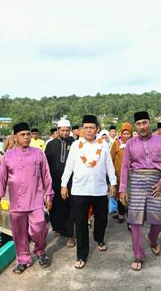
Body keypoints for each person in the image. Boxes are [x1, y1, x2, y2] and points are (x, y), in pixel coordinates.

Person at [0, 122, 54, 274]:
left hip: (36, 200)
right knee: (19, 233)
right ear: (15, 137)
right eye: (23, 135)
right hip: (17, 203)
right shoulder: (8, 156)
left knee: (40, 227)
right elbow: (1, 179)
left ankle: (40, 251)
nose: (27, 137)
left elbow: (46, 175)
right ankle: (23, 260)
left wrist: (49, 195)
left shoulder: (38, 153)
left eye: (28, 134)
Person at [61, 115, 117, 269]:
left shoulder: (103, 145)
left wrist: (113, 183)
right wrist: (63, 184)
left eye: (91, 127)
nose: (88, 130)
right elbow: (69, 165)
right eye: (85, 127)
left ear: (97, 129)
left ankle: (99, 238)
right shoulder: (75, 145)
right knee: (80, 223)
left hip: (99, 190)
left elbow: (109, 165)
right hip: (79, 190)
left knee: (102, 219)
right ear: (81, 130)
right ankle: (82, 254)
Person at [119, 111, 161, 271]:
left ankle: (152, 239)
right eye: (139, 124)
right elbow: (125, 167)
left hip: (156, 183)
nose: (142, 126)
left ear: (150, 123)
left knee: (159, 220)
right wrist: (122, 189)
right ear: (135, 126)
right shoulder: (130, 144)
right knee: (135, 222)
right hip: (136, 182)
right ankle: (138, 255)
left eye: (145, 123)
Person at [45, 119, 76, 247]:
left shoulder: (75, 143)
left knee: (69, 208)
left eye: (67, 130)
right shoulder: (51, 144)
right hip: (54, 181)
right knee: (55, 207)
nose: (64, 132)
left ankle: (70, 235)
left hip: (70, 182)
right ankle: (57, 228)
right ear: (57, 131)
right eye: (62, 130)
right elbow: (45, 164)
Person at [110, 122, 133, 223]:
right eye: (124, 133)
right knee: (120, 194)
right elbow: (111, 159)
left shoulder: (135, 143)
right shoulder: (116, 143)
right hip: (119, 174)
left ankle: (130, 213)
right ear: (121, 134)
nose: (126, 136)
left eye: (128, 134)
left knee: (131, 194)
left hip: (132, 174)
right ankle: (121, 213)